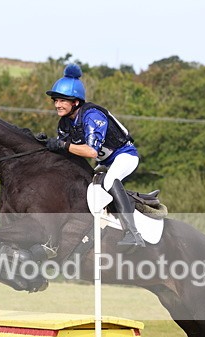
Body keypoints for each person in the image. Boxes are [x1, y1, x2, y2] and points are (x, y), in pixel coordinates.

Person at [44, 64, 145, 249]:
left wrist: (63, 145)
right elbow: (65, 152)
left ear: (75, 102)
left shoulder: (92, 116)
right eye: (55, 100)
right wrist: (45, 145)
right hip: (104, 162)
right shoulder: (65, 123)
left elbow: (90, 152)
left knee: (110, 180)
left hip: (125, 156)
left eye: (62, 101)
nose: (57, 105)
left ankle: (133, 234)